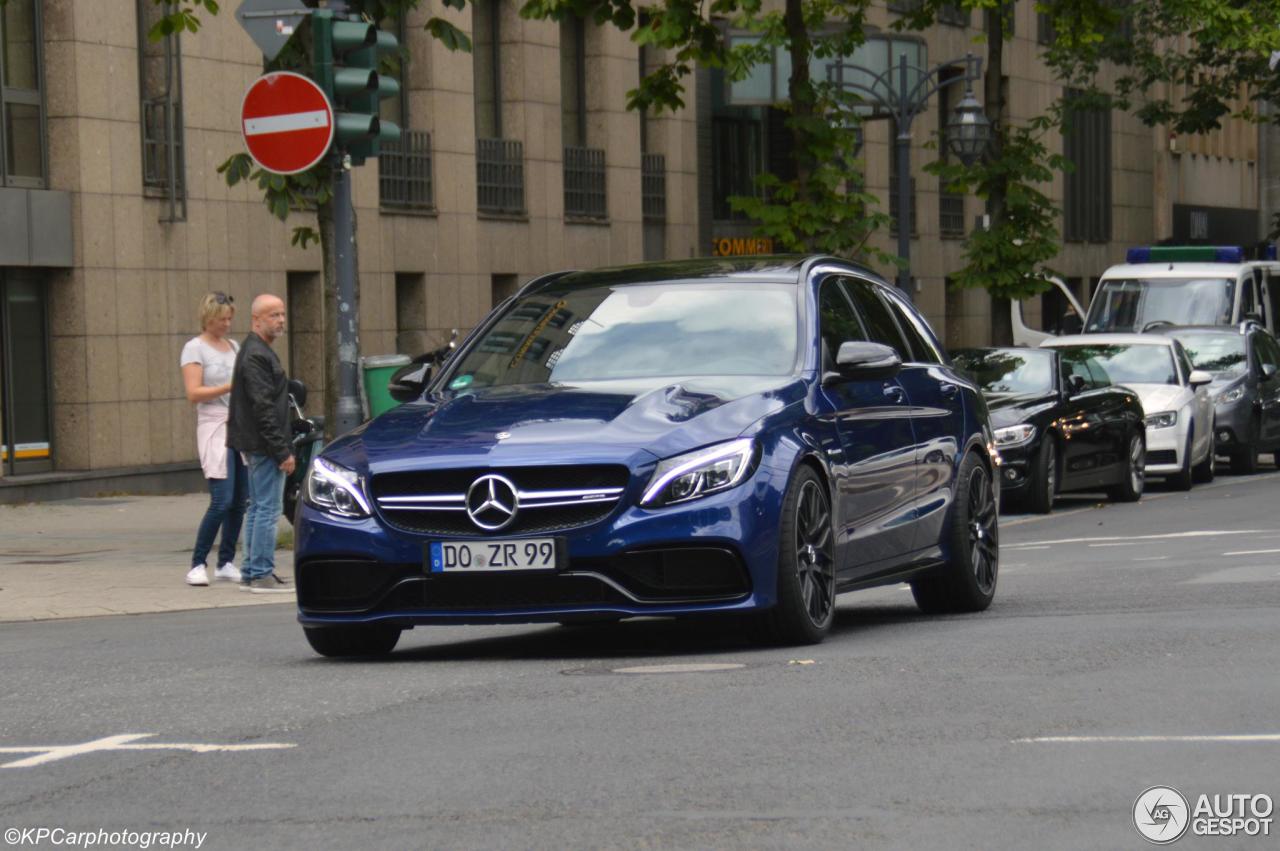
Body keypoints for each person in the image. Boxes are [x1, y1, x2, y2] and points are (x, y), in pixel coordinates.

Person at [227, 294, 295, 594]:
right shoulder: (257, 354)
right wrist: (282, 450)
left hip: (257, 442)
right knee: (268, 508)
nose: (280, 320)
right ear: (256, 320)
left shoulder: (255, 350)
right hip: (265, 444)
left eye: (282, 314)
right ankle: (262, 574)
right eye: (273, 315)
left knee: (257, 508)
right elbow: (263, 406)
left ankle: (252, 571)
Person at [180, 292, 246, 586]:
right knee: (222, 499)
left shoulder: (234, 346)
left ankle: (226, 561)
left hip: (238, 426)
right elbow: (193, 393)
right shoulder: (194, 348)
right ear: (209, 319)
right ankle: (197, 563)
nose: (227, 324)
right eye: (222, 319)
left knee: (240, 500)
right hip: (213, 425)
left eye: (230, 318)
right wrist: (229, 386)